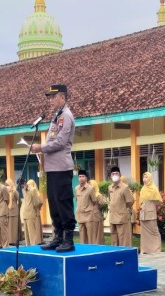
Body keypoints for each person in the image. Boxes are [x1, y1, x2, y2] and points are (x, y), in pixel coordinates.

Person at [30, 84, 76, 252]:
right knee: (54, 203)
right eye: (49, 97)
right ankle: (58, 236)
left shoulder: (66, 116)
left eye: (53, 97)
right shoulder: (56, 116)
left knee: (63, 202)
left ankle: (68, 239)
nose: (51, 100)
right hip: (51, 168)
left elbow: (61, 142)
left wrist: (41, 148)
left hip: (61, 168)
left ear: (62, 98)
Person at [108, 166, 134, 247]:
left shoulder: (125, 187)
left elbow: (130, 201)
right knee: (114, 239)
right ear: (110, 176)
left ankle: (125, 255)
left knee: (124, 239)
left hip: (122, 217)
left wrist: (124, 210)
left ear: (120, 175)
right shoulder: (110, 187)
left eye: (116, 173)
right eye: (113, 174)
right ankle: (115, 254)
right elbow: (110, 200)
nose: (114, 175)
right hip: (113, 217)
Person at [139, 172, 162, 254]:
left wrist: (152, 202)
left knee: (154, 231)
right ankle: (145, 249)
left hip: (151, 213)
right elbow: (141, 201)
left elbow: (159, 201)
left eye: (146, 177)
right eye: (143, 177)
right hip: (143, 213)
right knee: (144, 233)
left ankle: (156, 249)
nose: (144, 179)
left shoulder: (154, 188)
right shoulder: (143, 189)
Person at [75, 170, 98, 244]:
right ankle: (83, 252)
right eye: (80, 176)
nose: (81, 178)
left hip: (88, 215)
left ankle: (92, 251)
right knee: (82, 236)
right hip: (80, 215)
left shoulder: (90, 188)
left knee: (91, 236)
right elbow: (77, 200)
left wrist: (89, 209)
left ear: (86, 178)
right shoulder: (76, 188)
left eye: (83, 176)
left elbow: (94, 201)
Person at [22, 179, 44, 245]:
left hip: (34, 212)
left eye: (31, 184)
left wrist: (38, 207)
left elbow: (38, 202)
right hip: (28, 213)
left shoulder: (35, 191)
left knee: (34, 230)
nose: (29, 185)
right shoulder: (25, 191)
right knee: (29, 232)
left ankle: (37, 242)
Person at [88, 179, 106, 244]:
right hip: (89, 216)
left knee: (97, 232)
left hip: (96, 216)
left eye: (91, 185)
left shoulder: (98, 195)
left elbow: (102, 204)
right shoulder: (88, 194)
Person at [7, 179, 20, 244]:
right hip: (8, 211)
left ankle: (14, 241)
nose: (7, 186)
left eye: (8, 185)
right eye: (6, 185)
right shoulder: (7, 192)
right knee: (9, 227)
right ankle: (9, 240)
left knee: (14, 226)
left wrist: (17, 206)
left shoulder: (15, 192)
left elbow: (19, 200)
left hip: (14, 210)